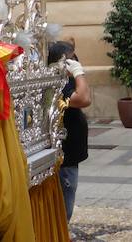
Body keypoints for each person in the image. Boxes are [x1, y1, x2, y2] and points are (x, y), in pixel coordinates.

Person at [47, 40, 91, 223]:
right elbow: (84, 99)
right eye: (71, 60)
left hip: (71, 154)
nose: (76, 62)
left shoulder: (65, 81)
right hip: (65, 156)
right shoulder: (58, 83)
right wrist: (79, 73)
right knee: (64, 205)